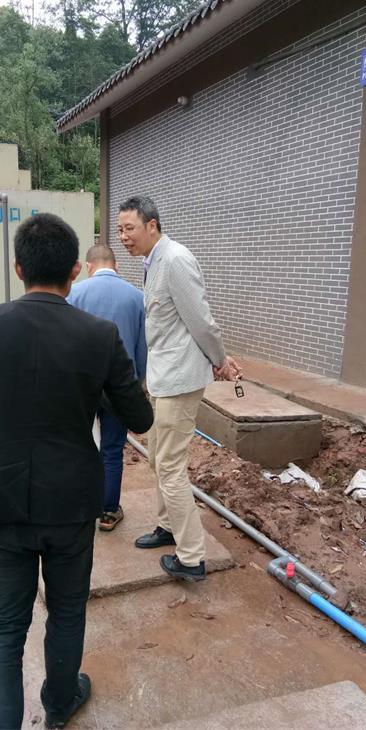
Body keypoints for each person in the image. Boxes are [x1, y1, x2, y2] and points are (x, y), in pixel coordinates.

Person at [0, 213, 153, 730]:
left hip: (0, 501)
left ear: (18, 268)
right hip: (71, 504)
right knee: (67, 611)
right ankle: (60, 702)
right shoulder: (98, 336)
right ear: (75, 270)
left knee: (3, 629)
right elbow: (140, 417)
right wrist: (97, 385)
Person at [117, 195, 241, 583]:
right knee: (158, 459)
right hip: (163, 377)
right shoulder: (153, 261)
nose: (123, 236)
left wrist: (220, 360)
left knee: (169, 467)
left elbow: (201, 321)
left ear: (152, 225)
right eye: (120, 230)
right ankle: (168, 526)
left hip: (179, 381)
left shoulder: (175, 260)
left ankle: (191, 557)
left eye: (129, 228)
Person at [68, 244, 147, 532]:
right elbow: (142, 347)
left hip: (82, 387)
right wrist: (137, 383)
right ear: (116, 266)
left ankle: (80, 506)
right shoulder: (137, 297)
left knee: (79, 445)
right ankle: (108, 512)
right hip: (119, 387)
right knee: (112, 450)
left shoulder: (74, 294)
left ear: (88, 266)